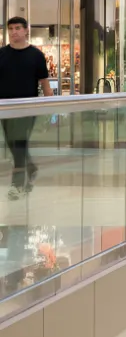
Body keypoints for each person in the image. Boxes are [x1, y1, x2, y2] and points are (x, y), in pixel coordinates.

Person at [0, 17, 52, 200]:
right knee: (13, 144)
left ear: (25, 31)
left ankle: (17, 185)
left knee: (19, 144)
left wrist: (50, 107)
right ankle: (30, 167)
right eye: (11, 29)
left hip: (27, 108)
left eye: (17, 28)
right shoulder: (2, 54)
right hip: (5, 108)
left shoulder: (36, 55)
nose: (13, 32)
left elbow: (45, 83)